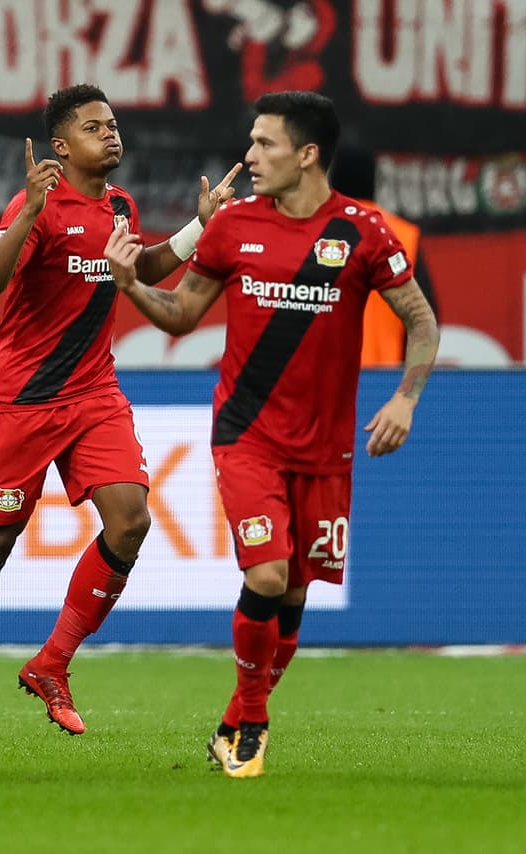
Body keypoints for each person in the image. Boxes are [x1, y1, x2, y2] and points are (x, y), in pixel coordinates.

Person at [104, 91, 439, 778]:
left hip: (327, 448)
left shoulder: (364, 231)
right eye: (250, 143)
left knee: (292, 594)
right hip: (246, 434)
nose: (250, 157)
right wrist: (131, 284)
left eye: (265, 145)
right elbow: (181, 314)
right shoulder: (231, 227)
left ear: (307, 154)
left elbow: (422, 321)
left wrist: (406, 397)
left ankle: (234, 717)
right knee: (267, 571)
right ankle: (253, 722)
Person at [0, 84, 239, 739]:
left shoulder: (120, 205)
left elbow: (141, 269)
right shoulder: (35, 204)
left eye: (114, 124)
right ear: (62, 147)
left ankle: (52, 663)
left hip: (95, 394)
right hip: (22, 399)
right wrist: (27, 213)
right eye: (96, 127)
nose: (112, 135)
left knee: (131, 521)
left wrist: (199, 225)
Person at [327, 146, 440, 366]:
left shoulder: (317, 233)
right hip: (387, 381)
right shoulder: (404, 236)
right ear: (373, 182)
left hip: (330, 383)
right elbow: (427, 320)